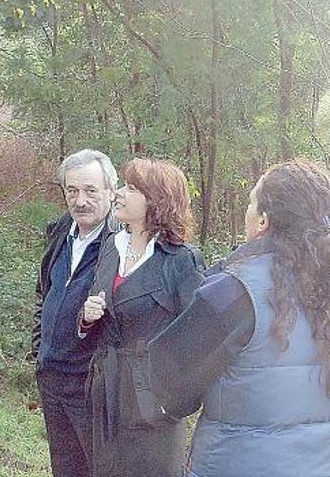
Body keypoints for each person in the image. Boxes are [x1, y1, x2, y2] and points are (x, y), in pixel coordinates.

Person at [144, 160, 330, 477]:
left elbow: (169, 380)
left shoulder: (233, 290)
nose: (247, 209)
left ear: (263, 220)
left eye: (250, 201)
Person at [81, 158, 204, 477]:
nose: (119, 193)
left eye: (131, 188)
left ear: (157, 200)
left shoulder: (181, 260)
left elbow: (199, 340)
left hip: (153, 402)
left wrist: (173, 401)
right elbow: (102, 313)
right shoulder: (111, 246)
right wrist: (87, 317)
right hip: (106, 392)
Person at [32, 149, 117, 477]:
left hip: (90, 384)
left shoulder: (121, 244)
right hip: (51, 377)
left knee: (101, 470)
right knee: (65, 470)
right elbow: (44, 295)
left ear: (111, 191)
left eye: (91, 190)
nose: (80, 200)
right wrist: (39, 350)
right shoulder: (60, 233)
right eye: (72, 191)